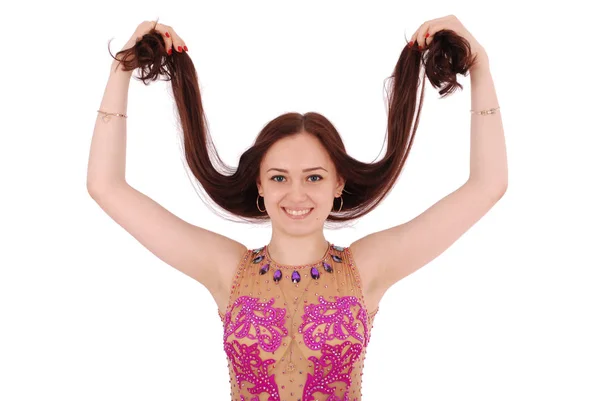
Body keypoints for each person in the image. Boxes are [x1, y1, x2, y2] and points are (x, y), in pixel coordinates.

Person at [87, 16, 506, 401]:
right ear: (260, 186)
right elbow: (106, 188)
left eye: (314, 177)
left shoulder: (367, 267)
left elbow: (487, 186)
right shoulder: (227, 270)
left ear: (339, 183)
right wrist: (121, 69)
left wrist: (481, 67)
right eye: (279, 177)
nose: (297, 194)